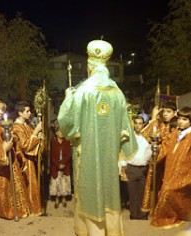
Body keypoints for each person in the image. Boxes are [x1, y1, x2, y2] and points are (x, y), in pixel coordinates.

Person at [58, 39, 138, 236]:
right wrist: (126, 153)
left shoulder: (82, 92)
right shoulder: (117, 92)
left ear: (89, 67)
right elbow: (125, 126)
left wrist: (68, 97)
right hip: (109, 158)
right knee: (108, 191)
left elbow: (66, 123)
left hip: (86, 157)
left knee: (88, 192)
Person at [0, 100, 31, 219]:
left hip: (11, 165)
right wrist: (4, 148)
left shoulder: (2, 125)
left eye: (2, 110)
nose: (0, 112)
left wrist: (13, 140)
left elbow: (11, 140)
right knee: (2, 191)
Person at [150, 106, 191, 228]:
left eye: (185, 119)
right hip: (170, 170)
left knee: (169, 191)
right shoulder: (174, 133)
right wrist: (156, 148)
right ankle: (175, 214)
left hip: (185, 173)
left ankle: (179, 215)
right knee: (165, 189)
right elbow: (165, 148)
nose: (180, 122)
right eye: (180, 119)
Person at [141, 100, 177, 212]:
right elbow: (144, 134)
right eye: (164, 111)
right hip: (156, 158)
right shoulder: (157, 123)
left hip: (170, 160)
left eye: (169, 111)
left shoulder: (177, 125)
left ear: (175, 113)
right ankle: (153, 208)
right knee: (153, 184)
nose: (165, 114)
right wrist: (152, 143)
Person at [11, 101, 43, 216]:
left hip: (31, 159)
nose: (30, 113)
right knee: (28, 185)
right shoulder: (16, 127)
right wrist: (36, 132)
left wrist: (38, 137)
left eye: (30, 111)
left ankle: (33, 208)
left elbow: (32, 139)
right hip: (24, 161)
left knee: (32, 186)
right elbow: (25, 146)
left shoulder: (26, 124)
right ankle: (28, 210)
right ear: (20, 113)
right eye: (27, 111)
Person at [121, 116, 152, 220]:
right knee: (133, 193)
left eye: (140, 123)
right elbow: (124, 153)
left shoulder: (146, 138)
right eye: (136, 123)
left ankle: (141, 214)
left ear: (143, 125)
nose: (138, 125)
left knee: (142, 193)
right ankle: (134, 214)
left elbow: (149, 152)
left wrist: (146, 162)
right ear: (133, 124)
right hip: (132, 168)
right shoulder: (129, 138)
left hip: (143, 169)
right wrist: (123, 170)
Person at [49, 120, 71, 208]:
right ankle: (57, 199)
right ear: (56, 133)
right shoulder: (53, 143)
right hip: (56, 167)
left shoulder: (67, 142)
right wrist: (58, 165)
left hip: (65, 166)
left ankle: (63, 198)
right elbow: (52, 156)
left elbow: (69, 154)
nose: (61, 133)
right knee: (57, 183)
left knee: (64, 183)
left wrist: (64, 163)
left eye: (62, 131)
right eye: (59, 131)